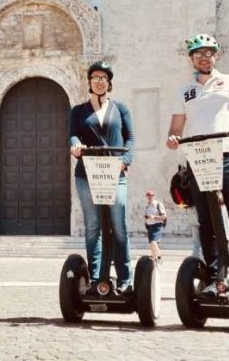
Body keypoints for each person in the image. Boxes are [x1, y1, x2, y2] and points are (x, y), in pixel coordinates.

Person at [166, 33, 229, 298]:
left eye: (209, 53)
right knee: (206, 219)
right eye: (199, 54)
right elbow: (176, 127)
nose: (204, 58)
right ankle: (214, 278)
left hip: (228, 155)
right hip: (197, 158)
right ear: (191, 59)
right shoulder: (184, 90)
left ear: (215, 55)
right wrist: (173, 139)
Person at [69, 61, 135, 294]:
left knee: (118, 226)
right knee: (93, 226)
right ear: (89, 82)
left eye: (103, 78)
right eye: (95, 77)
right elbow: (73, 136)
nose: (99, 81)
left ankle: (126, 279)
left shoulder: (120, 109)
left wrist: (124, 162)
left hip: (115, 174)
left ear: (109, 83)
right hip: (87, 174)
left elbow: (130, 139)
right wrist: (75, 144)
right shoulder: (78, 111)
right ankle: (96, 278)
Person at [144, 190, 166, 261]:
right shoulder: (147, 206)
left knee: (153, 242)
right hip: (150, 226)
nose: (150, 197)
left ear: (154, 196)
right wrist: (146, 218)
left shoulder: (158, 204)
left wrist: (154, 217)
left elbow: (164, 216)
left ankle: (158, 257)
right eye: (148, 195)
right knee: (151, 243)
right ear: (146, 196)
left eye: (151, 195)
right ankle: (155, 258)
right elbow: (148, 216)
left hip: (157, 225)